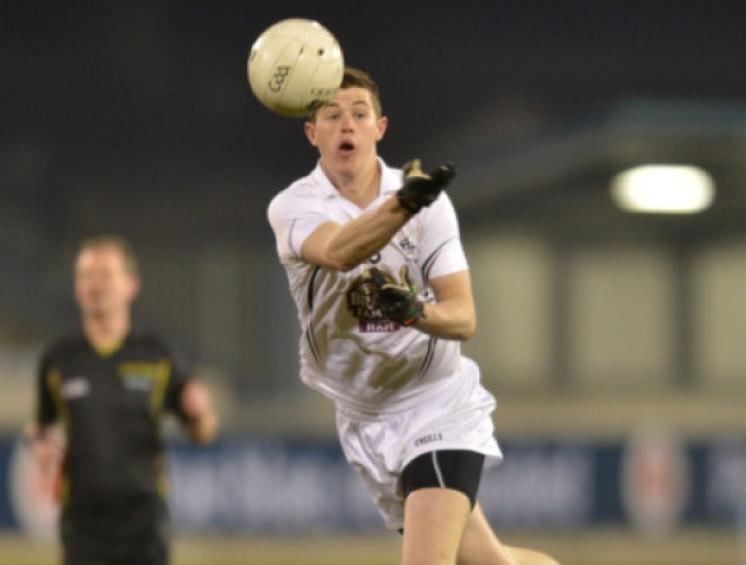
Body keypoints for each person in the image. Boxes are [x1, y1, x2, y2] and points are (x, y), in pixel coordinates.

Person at [267, 67, 558, 565]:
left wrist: (414, 312)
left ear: (380, 129)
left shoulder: (426, 200)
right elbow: (338, 251)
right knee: (492, 563)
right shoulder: (294, 205)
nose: (347, 126)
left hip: (437, 404)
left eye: (360, 114)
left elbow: (463, 317)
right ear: (312, 133)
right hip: (362, 417)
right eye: (332, 116)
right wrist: (403, 206)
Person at [29, 235, 218, 565]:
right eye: (86, 276)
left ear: (131, 285)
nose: (95, 285)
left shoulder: (158, 355)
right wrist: (41, 445)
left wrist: (201, 415)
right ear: (76, 287)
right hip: (82, 525)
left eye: (106, 275)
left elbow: (202, 433)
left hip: (143, 524)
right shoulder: (58, 359)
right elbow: (42, 427)